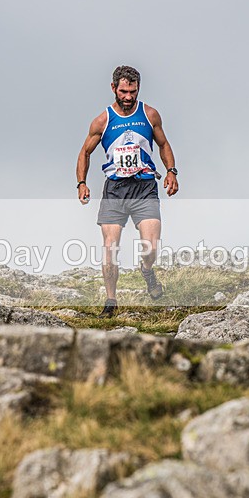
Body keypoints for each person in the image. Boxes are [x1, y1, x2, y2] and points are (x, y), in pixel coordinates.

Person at [75, 65, 179, 318]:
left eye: (133, 91)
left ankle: (147, 270)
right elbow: (85, 152)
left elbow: (163, 144)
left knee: (150, 247)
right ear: (113, 89)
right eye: (123, 91)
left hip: (144, 186)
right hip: (115, 189)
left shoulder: (150, 114)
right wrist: (82, 183)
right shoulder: (102, 120)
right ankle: (111, 300)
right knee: (110, 247)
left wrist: (171, 171)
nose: (128, 97)